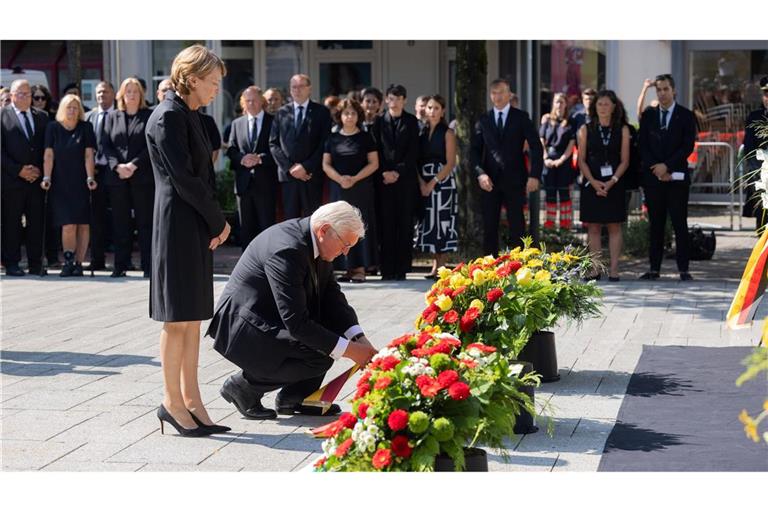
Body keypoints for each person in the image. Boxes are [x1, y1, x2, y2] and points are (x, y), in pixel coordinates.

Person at [207, 201, 379, 419]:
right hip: (243, 326)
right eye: (345, 244)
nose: (346, 253)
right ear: (324, 230)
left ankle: (295, 398)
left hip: (268, 316)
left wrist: (359, 339)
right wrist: (351, 351)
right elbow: (296, 323)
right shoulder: (287, 249)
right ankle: (244, 387)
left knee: (328, 338)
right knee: (321, 353)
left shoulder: (316, 241)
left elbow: (332, 299)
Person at [145, 45, 232, 437]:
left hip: (192, 222)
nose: (216, 89)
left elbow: (204, 177)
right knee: (176, 318)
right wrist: (218, 222)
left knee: (193, 317)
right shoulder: (167, 117)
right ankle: (171, 402)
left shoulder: (190, 114)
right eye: (212, 82)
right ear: (192, 78)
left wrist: (211, 222)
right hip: (177, 224)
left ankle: (193, 400)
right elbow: (185, 180)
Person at [470, 78, 543, 256]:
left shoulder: (521, 117)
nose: (498, 96)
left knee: (517, 225)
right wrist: (480, 174)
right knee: (489, 225)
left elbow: (536, 146)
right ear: (490, 95)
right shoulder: (484, 119)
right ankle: (490, 269)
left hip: (515, 179)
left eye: (501, 92)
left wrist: (534, 175)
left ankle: (518, 267)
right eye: (494, 93)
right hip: (490, 181)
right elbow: (474, 151)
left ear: (509, 94)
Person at [639, 74, 697, 281]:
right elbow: (643, 145)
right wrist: (656, 168)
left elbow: (687, 146)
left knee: (680, 223)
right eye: (659, 90)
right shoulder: (649, 115)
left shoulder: (686, 115)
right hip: (654, 178)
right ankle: (654, 269)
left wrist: (667, 166)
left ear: (674, 91)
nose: (662, 93)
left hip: (677, 178)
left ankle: (683, 269)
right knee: (656, 224)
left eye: (666, 89)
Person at [40, 94, 97, 277]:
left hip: (81, 180)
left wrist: (90, 177)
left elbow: (89, 154)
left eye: (75, 107)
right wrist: (46, 176)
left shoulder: (85, 127)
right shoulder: (53, 128)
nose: (72, 111)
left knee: (83, 223)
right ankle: (68, 260)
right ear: (63, 109)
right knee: (68, 224)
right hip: (61, 181)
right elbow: (49, 155)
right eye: (69, 107)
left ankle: (79, 263)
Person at [322, 98, 379, 282]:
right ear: (340, 116)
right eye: (346, 113)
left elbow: (374, 163)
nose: (349, 116)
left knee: (359, 226)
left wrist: (354, 179)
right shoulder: (332, 138)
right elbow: (325, 164)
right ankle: (346, 268)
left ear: (358, 116)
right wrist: (340, 179)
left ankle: (360, 268)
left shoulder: (365, 137)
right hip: (339, 188)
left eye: (353, 113)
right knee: (339, 226)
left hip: (360, 188)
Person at [101, 78, 153, 278]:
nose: (131, 95)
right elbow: (105, 144)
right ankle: (121, 265)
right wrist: (117, 166)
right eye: (128, 91)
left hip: (141, 177)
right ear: (121, 94)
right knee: (120, 223)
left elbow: (151, 145)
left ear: (141, 95)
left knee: (145, 223)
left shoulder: (148, 116)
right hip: (117, 178)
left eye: (135, 91)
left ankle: (148, 265)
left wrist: (133, 165)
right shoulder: (113, 116)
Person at [577, 90, 630, 281]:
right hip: (592, 183)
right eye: (600, 104)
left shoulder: (622, 129)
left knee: (615, 226)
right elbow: (581, 160)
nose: (603, 108)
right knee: (593, 227)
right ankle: (595, 269)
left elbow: (625, 160)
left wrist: (611, 181)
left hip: (614, 183)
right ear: (594, 107)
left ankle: (614, 269)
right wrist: (593, 182)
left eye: (607, 104)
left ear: (614, 106)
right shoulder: (586, 129)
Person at [371, 84, 420, 281]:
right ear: (386, 99)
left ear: (404, 100)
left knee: (404, 224)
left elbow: (413, 151)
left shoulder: (411, 121)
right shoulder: (378, 122)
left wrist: (398, 171)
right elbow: (375, 149)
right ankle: (386, 268)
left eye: (399, 98)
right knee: (386, 224)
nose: (395, 101)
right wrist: (384, 171)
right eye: (391, 97)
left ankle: (401, 268)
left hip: (405, 180)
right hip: (383, 181)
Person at [1, 79, 48, 276]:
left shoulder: (42, 117)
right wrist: (18, 170)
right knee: (11, 223)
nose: (25, 97)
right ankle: (12, 262)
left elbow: (47, 147)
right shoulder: (2, 116)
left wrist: (38, 170)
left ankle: (36, 262)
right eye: (20, 94)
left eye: (28, 94)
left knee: (36, 223)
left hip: (36, 180)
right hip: (11, 180)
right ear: (11, 96)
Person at [269, 74, 331, 219]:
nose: (297, 90)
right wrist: (290, 168)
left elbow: (325, 142)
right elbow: (273, 143)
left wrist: (306, 167)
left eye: (301, 86)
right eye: (294, 87)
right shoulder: (282, 113)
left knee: (313, 219)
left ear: (309, 89)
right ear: (290, 90)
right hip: (288, 177)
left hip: (311, 176)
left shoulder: (321, 112)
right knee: (290, 220)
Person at [226, 85, 277, 250]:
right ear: (243, 103)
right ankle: (247, 267)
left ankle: (267, 265)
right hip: (243, 185)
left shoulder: (274, 121)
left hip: (267, 183)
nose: (251, 104)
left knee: (267, 227)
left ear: (262, 101)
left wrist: (260, 159)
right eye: (248, 101)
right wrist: (242, 158)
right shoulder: (237, 124)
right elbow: (231, 150)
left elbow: (279, 150)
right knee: (245, 228)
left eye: (255, 100)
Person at [416, 95, 458, 277]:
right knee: (429, 222)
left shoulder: (447, 133)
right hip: (423, 180)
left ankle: (442, 265)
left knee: (443, 221)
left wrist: (432, 183)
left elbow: (450, 163)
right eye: (429, 108)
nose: (432, 112)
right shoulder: (421, 132)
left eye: (436, 108)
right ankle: (435, 263)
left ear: (443, 111)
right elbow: (415, 160)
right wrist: (421, 183)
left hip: (442, 183)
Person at [83, 81, 115, 272]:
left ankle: (122, 261)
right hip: (94, 173)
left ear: (113, 94)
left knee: (120, 218)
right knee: (96, 218)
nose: (102, 95)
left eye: (105, 91)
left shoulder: (119, 115)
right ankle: (97, 259)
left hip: (115, 172)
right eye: (99, 92)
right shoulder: (88, 117)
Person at [539, 92, 576, 230]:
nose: (559, 105)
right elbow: (541, 140)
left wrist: (561, 160)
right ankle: (549, 227)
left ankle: (565, 227)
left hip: (564, 162)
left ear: (566, 104)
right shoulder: (546, 120)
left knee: (564, 194)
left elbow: (571, 144)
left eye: (562, 102)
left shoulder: (570, 122)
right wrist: (545, 157)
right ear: (553, 104)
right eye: (556, 102)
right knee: (550, 194)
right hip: (548, 161)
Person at [742, 76, 768, 230]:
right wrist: (760, 171)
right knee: (762, 220)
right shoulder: (755, 117)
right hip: (762, 177)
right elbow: (749, 148)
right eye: (766, 94)